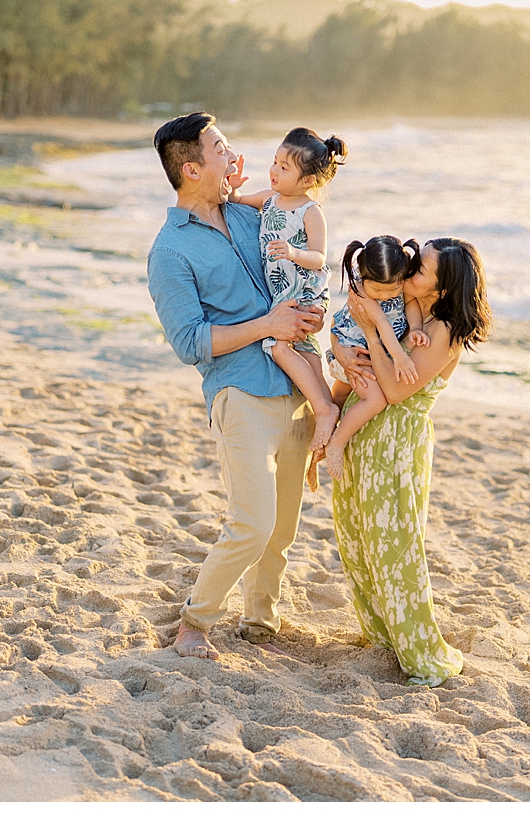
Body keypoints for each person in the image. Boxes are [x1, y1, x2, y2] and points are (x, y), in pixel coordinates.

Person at [146, 112, 324, 661]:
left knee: (283, 528)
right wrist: (268, 326)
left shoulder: (251, 216)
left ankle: (260, 619)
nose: (232, 155)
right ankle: (194, 624)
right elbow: (190, 342)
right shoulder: (170, 252)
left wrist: (305, 315)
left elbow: (296, 266)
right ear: (192, 167)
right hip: (240, 393)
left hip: (296, 388)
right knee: (252, 522)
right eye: (220, 149)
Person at [329, 237, 492, 686]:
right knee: (359, 540)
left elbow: (396, 389)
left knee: (396, 547)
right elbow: (347, 325)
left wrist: (369, 329)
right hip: (364, 433)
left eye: (421, 268)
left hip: (396, 446)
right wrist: (343, 348)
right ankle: (383, 636)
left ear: (442, 288)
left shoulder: (443, 332)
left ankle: (419, 649)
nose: (410, 269)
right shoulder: (400, 303)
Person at [226, 128, 347, 462]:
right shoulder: (268, 199)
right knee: (306, 352)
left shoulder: (310, 211)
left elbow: (320, 258)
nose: (274, 171)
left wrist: (294, 252)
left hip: (301, 288)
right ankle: (330, 408)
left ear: (308, 180)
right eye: (274, 163)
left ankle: (323, 408)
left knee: (279, 346)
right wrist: (234, 188)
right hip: (282, 289)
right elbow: (235, 202)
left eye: (284, 168)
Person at [321, 235, 429, 482]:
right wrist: (400, 357)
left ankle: (325, 428)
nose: (386, 295)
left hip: (373, 351)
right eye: (378, 289)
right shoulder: (361, 292)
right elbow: (381, 324)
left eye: (393, 288)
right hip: (355, 351)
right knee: (375, 399)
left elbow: (410, 304)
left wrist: (417, 328)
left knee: (339, 395)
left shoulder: (399, 283)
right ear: (362, 274)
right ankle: (336, 442)